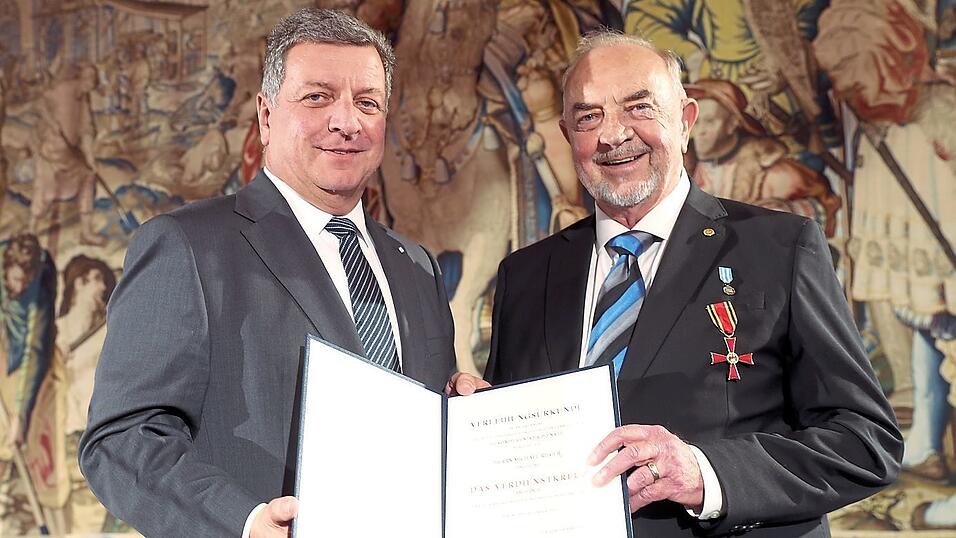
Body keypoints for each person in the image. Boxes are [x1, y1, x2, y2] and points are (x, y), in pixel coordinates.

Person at [79, 9, 484, 538]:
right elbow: (121, 439)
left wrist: (459, 412)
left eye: (368, 103)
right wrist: (242, 522)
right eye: (317, 97)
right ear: (266, 117)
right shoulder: (188, 247)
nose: (346, 121)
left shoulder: (417, 267)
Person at [484, 31, 902, 537]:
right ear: (568, 134)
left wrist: (705, 474)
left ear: (685, 121)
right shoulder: (525, 275)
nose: (614, 135)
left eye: (639, 108)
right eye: (589, 116)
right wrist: (472, 417)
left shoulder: (780, 248)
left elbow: (865, 442)